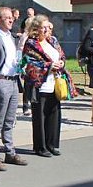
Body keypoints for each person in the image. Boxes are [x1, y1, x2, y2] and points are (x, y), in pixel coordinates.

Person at [22, 15, 74, 158]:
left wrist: (62, 63)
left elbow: (61, 55)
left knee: (54, 114)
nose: (47, 30)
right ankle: (41, 147)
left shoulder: (53, 40)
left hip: (55, 82)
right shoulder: (31, 43)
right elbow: (29, 63)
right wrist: (49, 66)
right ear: (36, 28)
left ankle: (52, 144)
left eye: (48, 27)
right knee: (40, 116)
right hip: (40, 84)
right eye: (43, 27)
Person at [0, 7, 28, 172]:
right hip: (1, 81)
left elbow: (15, 59)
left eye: (12, 18)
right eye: (7, 18)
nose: (11, 20)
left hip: (13, 81)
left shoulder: (12, 37)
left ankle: (10, 152)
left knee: (10, 121)